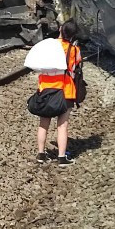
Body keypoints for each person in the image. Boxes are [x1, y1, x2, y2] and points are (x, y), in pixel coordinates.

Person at [36, 19, 82, 167]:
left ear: (61, 29)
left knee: (44, 123)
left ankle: (41, 154)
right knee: (62, 125)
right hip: (65, 91)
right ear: (73, 35)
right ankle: (62, 157)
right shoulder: (74, 50)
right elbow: (75, 66)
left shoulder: (49, 46)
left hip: (46, 89)